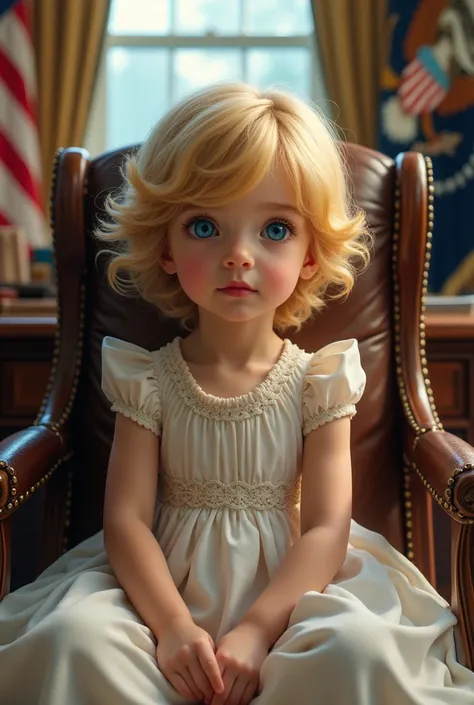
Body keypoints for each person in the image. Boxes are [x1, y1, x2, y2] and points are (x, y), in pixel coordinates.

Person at [0, 83, 473, 705]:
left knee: (358, 647)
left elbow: (328, 526)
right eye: (205, 226)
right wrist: (170, 627)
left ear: (309, 255)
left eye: (275, 228)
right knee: (74, 638)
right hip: (158, 583)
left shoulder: (319, 379)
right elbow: (126, 519)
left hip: (299, 582)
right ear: (165, 246)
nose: (239, 256)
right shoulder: (146, 378)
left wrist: (256, 627)